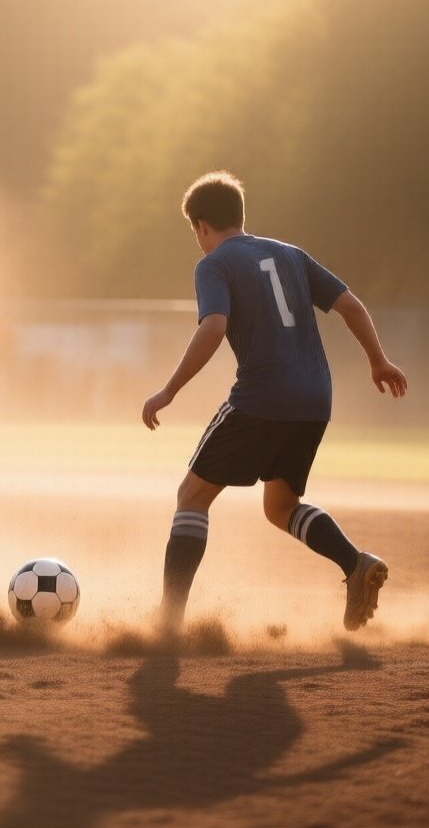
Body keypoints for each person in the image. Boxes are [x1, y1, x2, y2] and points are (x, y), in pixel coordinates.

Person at [141, 171, 408, 635]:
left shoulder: (214, 264)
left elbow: (213, 326)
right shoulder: (290, 254)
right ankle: (355, 563)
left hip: (262, 396)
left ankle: (169, 623)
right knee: (280, 506)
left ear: (201, 226)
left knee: (192, 496)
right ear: (240, 215)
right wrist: (378, 360)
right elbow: (351, 305)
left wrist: (169, 390)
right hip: (315, 400)